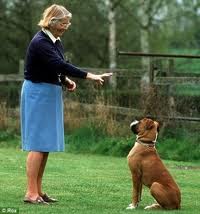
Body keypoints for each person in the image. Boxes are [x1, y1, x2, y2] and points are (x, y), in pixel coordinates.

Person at [20, 4, 112, 205]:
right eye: (63, 22)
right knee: (37, 144)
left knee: (44, 144)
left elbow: (54, 67)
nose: (66, 26)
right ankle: (30, 193)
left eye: (68, 23)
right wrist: (89, 76)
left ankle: (38, 191)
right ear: (51, 21)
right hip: (37, 93)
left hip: (49, 92)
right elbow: (59, 64)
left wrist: (64, 81)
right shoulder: (41, 42)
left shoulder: (55, 42)